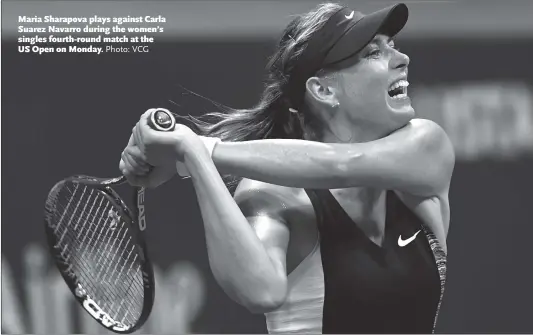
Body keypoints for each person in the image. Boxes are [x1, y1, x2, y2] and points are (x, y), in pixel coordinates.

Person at [119, 2, 454, 333]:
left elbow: (343, 164)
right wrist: (192, 154)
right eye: (374, 52)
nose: (402, 58)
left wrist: (203, 150)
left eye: (392, 45)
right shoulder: (275, 196)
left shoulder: (426, 148)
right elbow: (259, 291)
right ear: (323, 90)